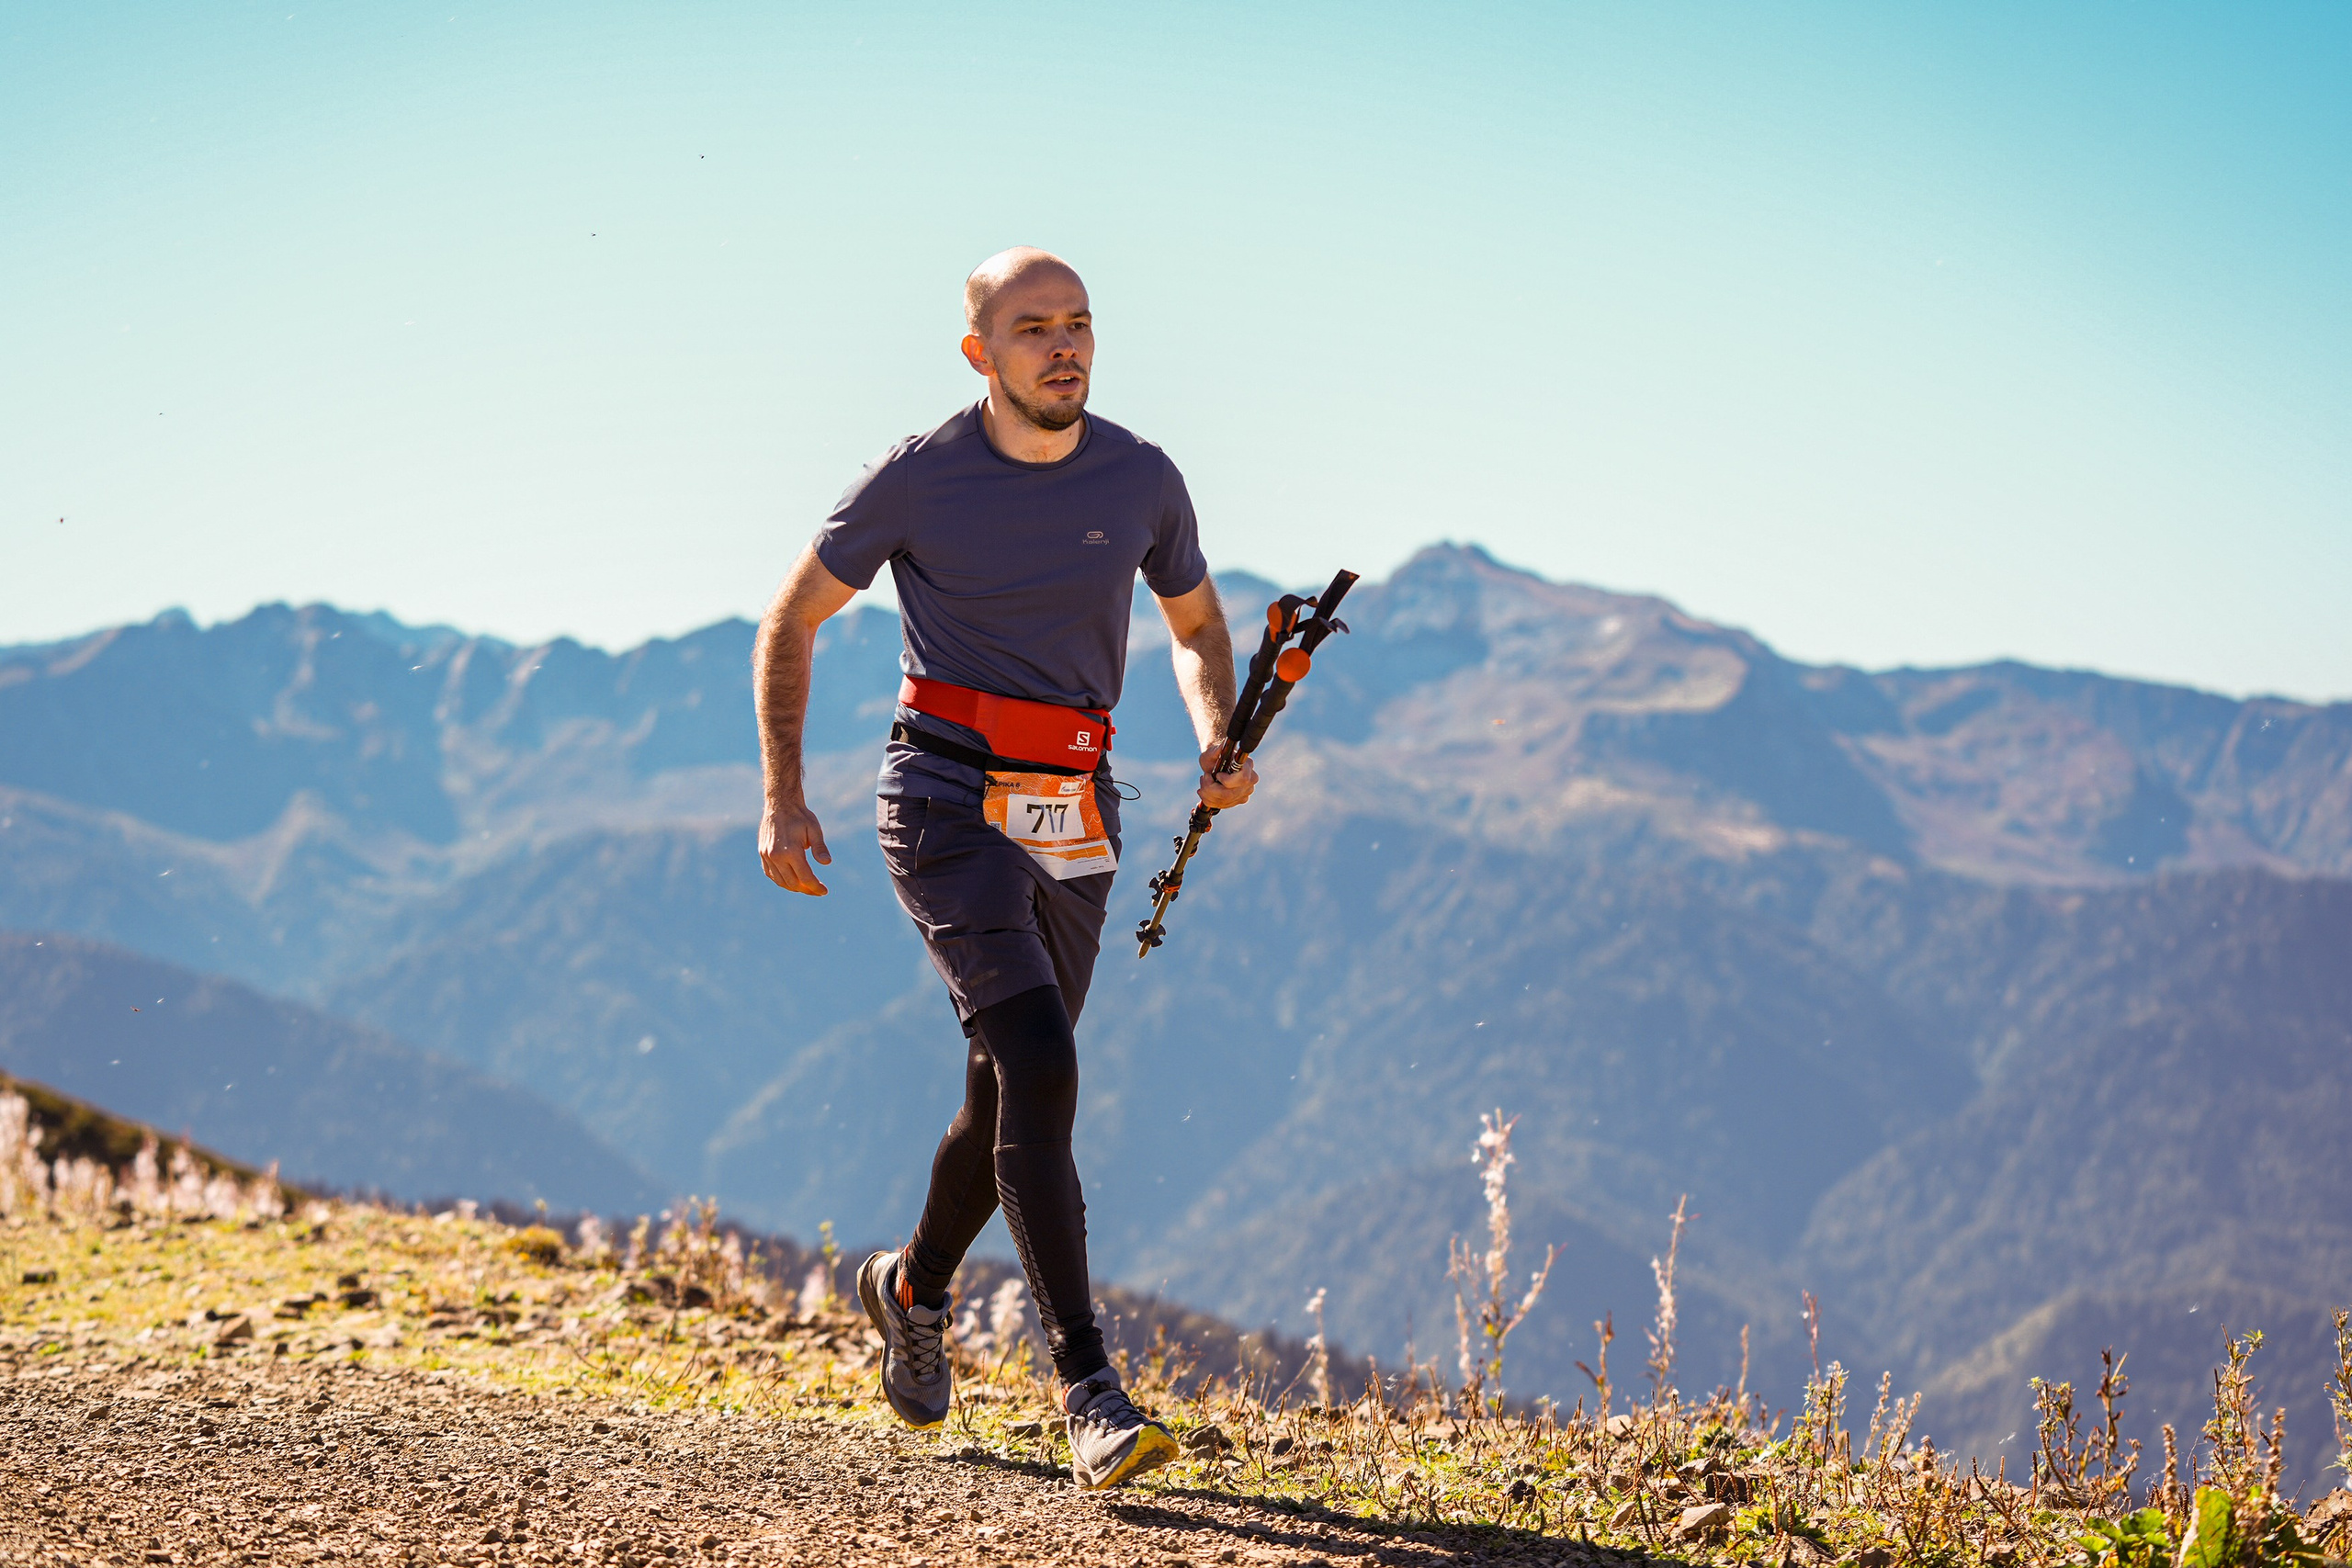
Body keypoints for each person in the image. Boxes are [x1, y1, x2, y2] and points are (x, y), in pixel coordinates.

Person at [751, 247, 1256, 1490]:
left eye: (1078, 322)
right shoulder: (919, 477)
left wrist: (1214, 731)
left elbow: (1197, 626)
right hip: (943, 798)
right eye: (1034, 327)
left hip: (1078, 809)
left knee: (1000, 1096)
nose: (1063, 344)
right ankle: (1089, 1389)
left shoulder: (1142, 477)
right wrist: (782, 796)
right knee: (1040, 1062)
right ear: (980, 352)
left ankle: (909, 1289)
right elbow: (792, 618)